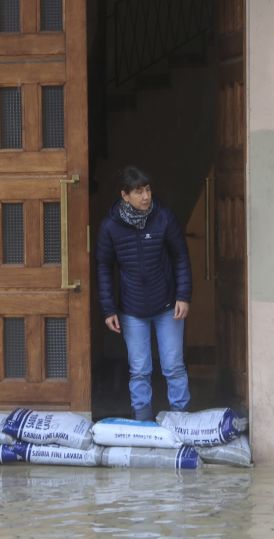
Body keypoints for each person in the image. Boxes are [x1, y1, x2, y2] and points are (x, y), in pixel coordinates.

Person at [96, 166, 192, 421]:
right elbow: (104, 267)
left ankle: (180, 420)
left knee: (173, 367)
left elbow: (180, 256)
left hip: (167, 305)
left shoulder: (163, 217)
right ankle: (143, 421)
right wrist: (108, 309)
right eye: (138, 192)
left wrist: (183, 295)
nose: (146, 196)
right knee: (139, 370)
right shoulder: (110, 226)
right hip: (131, 310)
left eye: (148, 190)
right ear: (125, 195)